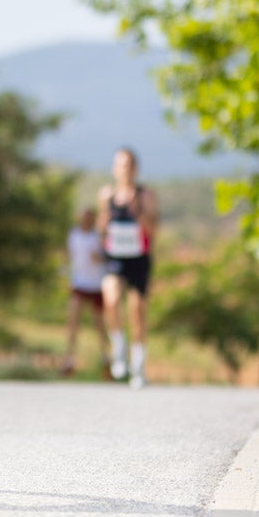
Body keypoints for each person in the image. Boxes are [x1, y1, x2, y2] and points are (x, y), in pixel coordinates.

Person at [96, 147, 158, 388]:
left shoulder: (145, 196)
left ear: (136, 169)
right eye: (120, 165)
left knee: (137, 312)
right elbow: (101, 227)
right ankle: (119, 349)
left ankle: (138, 368)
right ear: (114, 168)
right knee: (110, 299)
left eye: (129, 165)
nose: (125, 170)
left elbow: (153, 230)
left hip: (139, 259)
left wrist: (138, 212)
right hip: (116, 258)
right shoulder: (106, 194)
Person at [62, 207, 107, 377]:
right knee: (73, 321)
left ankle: (106, 358)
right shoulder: (73, 235)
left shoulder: (98, 237)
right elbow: (68, 256)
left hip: (96, 285)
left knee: (99, 324)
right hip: (79, 284)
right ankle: (69, 359)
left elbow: (107, 257)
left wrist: (99, 258)